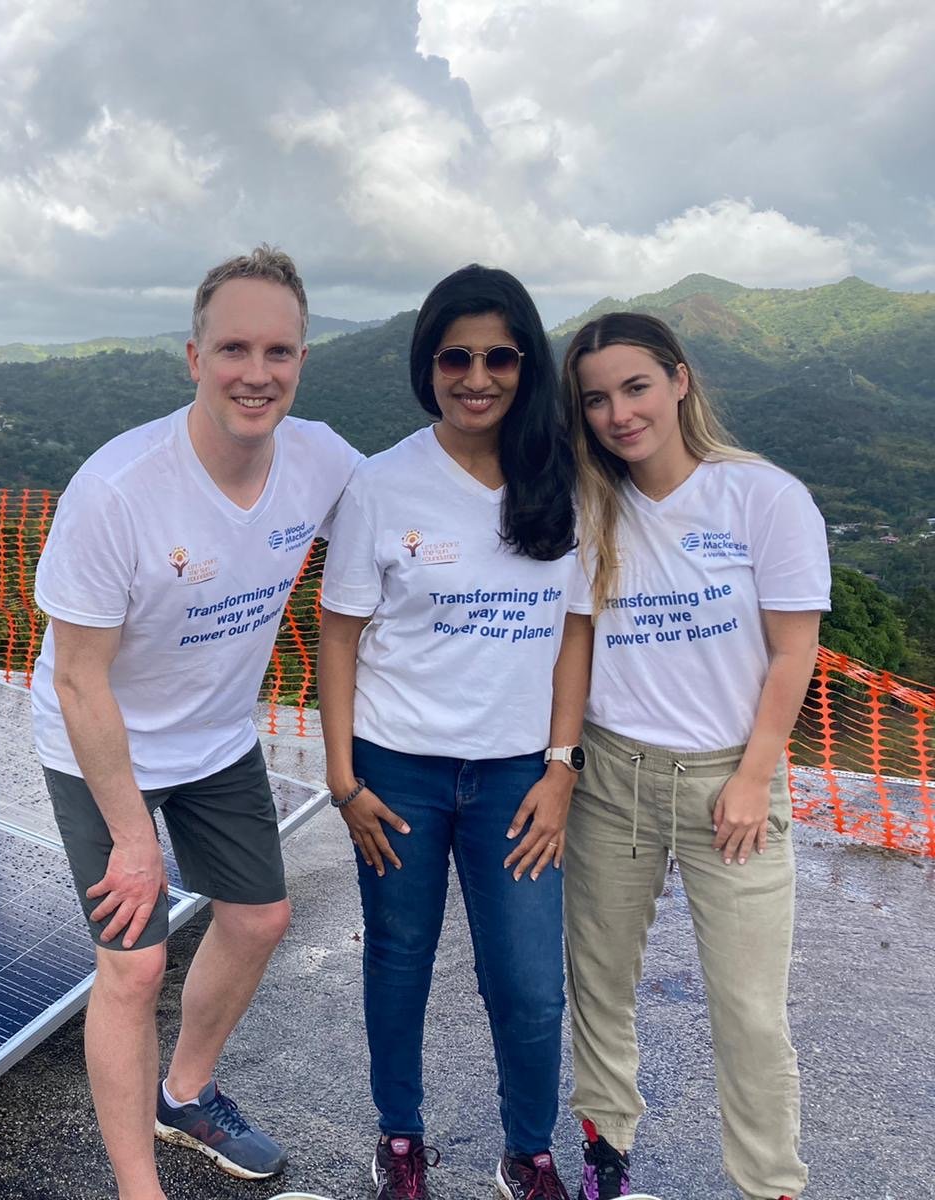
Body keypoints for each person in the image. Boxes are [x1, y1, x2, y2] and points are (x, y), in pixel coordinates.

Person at [31, 245, 362, 1200]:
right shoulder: (118, 491)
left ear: (302, 360)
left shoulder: (322, 460)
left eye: (278, 352)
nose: (256, 374)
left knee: (260, 918)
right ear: (193, 358)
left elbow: (408, 523)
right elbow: (78, 680)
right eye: (233, 349)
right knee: (133, 971)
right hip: (103, 744)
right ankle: (140, 1188)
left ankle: (186, 1095)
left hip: (217, 739)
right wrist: (134, 838)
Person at [319, 264, 588, 1200]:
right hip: (398, 774)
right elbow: (341, 632)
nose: (478, 376)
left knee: (527, 983)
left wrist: (562, 768)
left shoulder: (563, 477)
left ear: (528, 363)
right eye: (456, 357)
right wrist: (343, 779)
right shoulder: (381, 483)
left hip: (518, 776)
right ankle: (400, 1140)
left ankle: (530, 1151)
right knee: (399, 963)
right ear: (427, 364)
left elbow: (573, 637)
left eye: (500, 356)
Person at [560, 312, 828, 1200]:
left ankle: (769, 1185)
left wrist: (754, 775)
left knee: (750, 1010)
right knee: (600, 986)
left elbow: (794, 651)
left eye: (636, 387)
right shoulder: (589, 504)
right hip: (613, 775)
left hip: (730, 781)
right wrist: (562, 764)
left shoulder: (764, 496)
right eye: (596, 399)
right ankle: (606, 1163)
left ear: (679, 381)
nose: (618, 414)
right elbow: (577, 643)